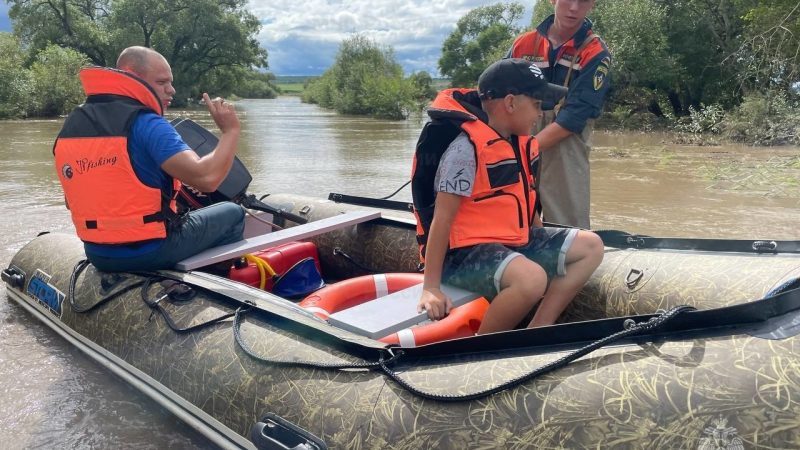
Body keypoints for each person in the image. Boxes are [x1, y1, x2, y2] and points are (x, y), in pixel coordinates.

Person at [412, 59, 604, 334]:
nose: (540, 114)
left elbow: (527, 204)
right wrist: (431, 287)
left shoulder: (522, 145)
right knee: (531, 279)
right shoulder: (465, 151)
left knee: (591, 246)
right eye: (536, 104)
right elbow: (441, 220)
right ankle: (480, 347)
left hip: (512, 241)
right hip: (462, 256)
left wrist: (542, 248)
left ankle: (538, 329)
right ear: (511, 103)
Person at [53, 46, 245, 272]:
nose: (171, 90)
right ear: (132, 76)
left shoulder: (72, 126)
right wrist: (230, 131)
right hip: (150, 251)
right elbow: (207, 179)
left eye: (170, 82)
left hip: (96, 253)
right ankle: (212, 282)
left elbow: (72, 201)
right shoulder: (148, 123)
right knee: (233, 213)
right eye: (162, 82)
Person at [508, 0, 611, 229]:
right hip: (521, 137)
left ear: (592, 4)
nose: (574, 8)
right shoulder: (523, 44)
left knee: (567, 227)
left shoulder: (596, 52)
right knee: (512, 216)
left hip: (566, 142)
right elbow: (498, 93)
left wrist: (527, 149)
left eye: (583, 1)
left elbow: (575, 115)